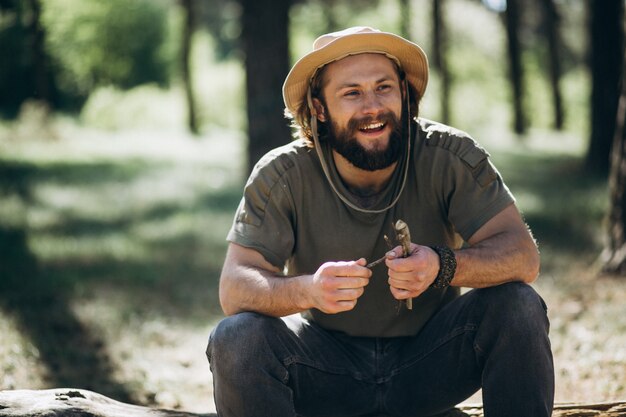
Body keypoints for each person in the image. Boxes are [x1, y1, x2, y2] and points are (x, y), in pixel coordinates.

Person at [207, 26, 554, 417]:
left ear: (404, 93)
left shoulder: (450, 155)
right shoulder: (282, 175)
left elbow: (523, 257)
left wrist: (443, 265)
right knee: (236, 337)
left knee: (518, 305)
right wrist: (309, 290)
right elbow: (234, 288)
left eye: (384, 87)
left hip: (431, 363)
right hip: (324, 369)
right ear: (319, 108)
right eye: (351, 93)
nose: (372, 107)